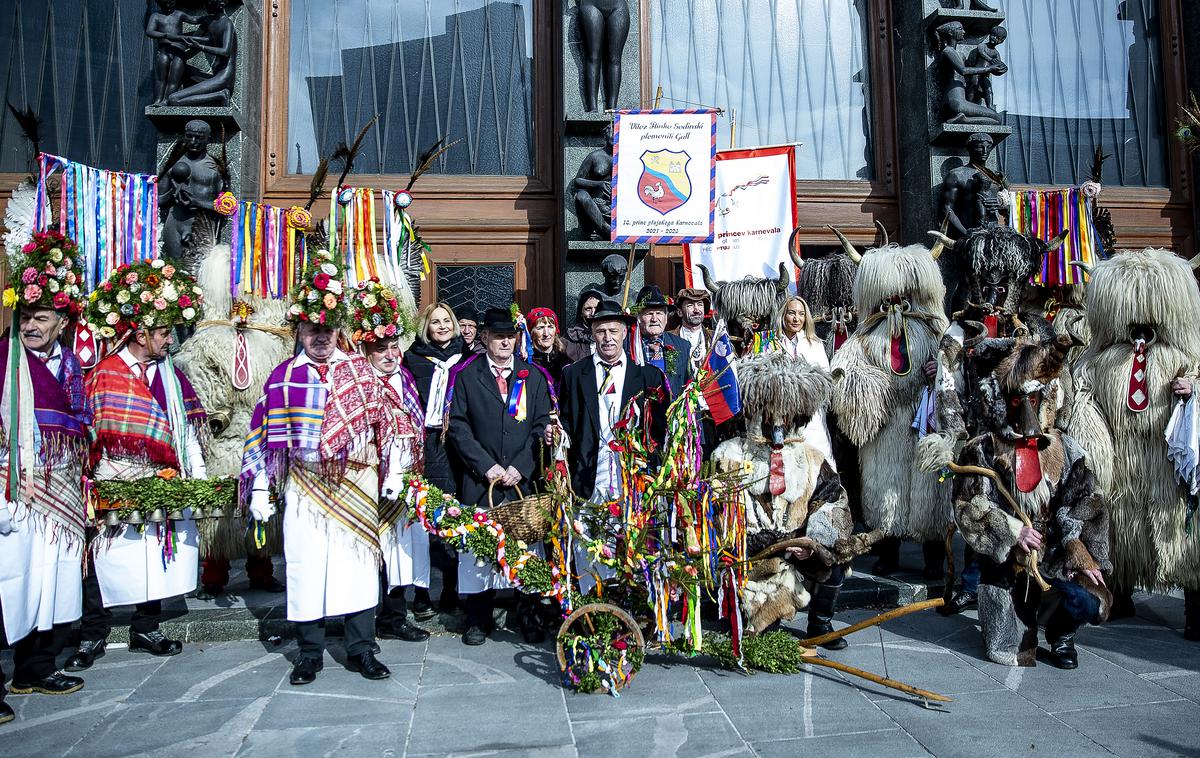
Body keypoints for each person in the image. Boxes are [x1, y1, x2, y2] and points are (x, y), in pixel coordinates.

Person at [242, 252, 409, 685]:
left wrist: (393, 473)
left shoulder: (359, 371)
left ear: (339, 331)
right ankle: (309, 653)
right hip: (305, 486)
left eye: (327, 330)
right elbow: (262, 436)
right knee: (306, 567)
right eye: (312, 329)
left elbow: (392, 423)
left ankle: (362, 649)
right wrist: (260, 489)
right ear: (300, 330)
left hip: (356, 482)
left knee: (357, 568)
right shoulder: (282, 377)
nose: (320, 337)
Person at [69, 260, 208, 672]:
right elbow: (89, 430)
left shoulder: (172, 375)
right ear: (140, 333)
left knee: (153, 555)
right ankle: (93, 633)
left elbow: (186, 431)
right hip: (112, 475)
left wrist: (196, 478)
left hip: (161, 477)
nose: (170, 340)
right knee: (105, 555)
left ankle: (147, 626)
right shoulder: (103, 374)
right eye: (164, 333)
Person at [949, 336, 1110, 668]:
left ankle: (1062, 635)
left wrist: (1079, 551)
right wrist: (1011, 531)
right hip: (1007, 567)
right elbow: (966, 507)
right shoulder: (982, 450)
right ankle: (1012, 621)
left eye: (1034, 400)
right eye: (1016, 401)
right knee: (1013, 652)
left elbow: (1087, 503)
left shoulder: (1065, 448)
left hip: (1053, 561)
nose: (1026, 413)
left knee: (1093, 600)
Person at [0, 232, 92, 723]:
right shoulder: (4, 361)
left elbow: (80, 424)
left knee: (47, 585)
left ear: (61, 321)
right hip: (15, 489)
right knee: (8, 585)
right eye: (27, 317)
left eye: (42, 318)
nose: (32, 326)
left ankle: (34, 668)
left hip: (59, 491)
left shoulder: (70, 364)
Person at [445, 307, 553, 645]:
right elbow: (458, 426)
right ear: (485, 338)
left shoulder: (532, 376)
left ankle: (529, 614)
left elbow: (539, 425)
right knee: (479, 550)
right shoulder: (467, 375)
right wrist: (485, 465)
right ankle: (478, 617)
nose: (505, 341)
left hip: (521, 481)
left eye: (510, 335)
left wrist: (520, 467)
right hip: (482, 481)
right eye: (497, 335)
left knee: (526, 548)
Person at [554, 298, 667, 594]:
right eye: (601, 331)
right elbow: (566, 421)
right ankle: (591, 609)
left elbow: (658, 429)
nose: (607, 338)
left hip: (631, 478)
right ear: (592, 334)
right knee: (588, 545)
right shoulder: (573, 374)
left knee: (631, 545)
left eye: (613, 331)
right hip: (588, 475)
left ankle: (630, 607)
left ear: (625, 334)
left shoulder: (648, 377)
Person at [352, 281, 431, 641]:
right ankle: (367, 618)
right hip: (370, 479)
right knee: (374, 552)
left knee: (402, 548)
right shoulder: (358, 384)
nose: (389, 354)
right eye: (380, 349)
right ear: (367, 351)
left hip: (406, 476)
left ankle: (395, 616)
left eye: (393, 346)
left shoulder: (406, 380)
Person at [402, 302, 466, 613]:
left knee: (452, 518)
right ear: (425, 327)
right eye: (435, 322)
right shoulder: (413, 358)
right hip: (423, 443)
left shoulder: (466, 359)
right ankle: (421, 590)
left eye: (446, 320)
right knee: (422, 520)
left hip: (455, 445)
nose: (441, 326)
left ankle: (452, 587)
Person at [770, 296, 835, 468]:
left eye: (801, 314)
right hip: (782, 415)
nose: (796, 318)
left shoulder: (815, 344)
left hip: (811, 416)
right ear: (783, 316)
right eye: (791, 313)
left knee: (819, 459)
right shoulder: (770, 343)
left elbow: (826, 379)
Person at [630, 285, 691, 397]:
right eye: (649, 314)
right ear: (638, 317)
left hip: (671, 412)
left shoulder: (683, 346)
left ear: (666, 318)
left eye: (659, 313)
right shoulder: (627, 347)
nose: (654, 319)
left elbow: (689, 387)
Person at [527, 306, 572, 388]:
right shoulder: (526, 364)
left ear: (555, 331)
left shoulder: (566, 363)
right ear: (531, 333)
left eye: (550, 327)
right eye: (540, 328)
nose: (546, 334)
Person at [671, 288, 712, 371]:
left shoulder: (716, 338)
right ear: (680, 312)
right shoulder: (669, 339)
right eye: (690, 305)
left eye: (700, 304)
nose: (696, 310)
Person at [564, 287, 603, 362]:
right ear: (581, 313)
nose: (593, 313)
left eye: (597, 308)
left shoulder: (610, 335)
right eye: (588, 309)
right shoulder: (568, 339)